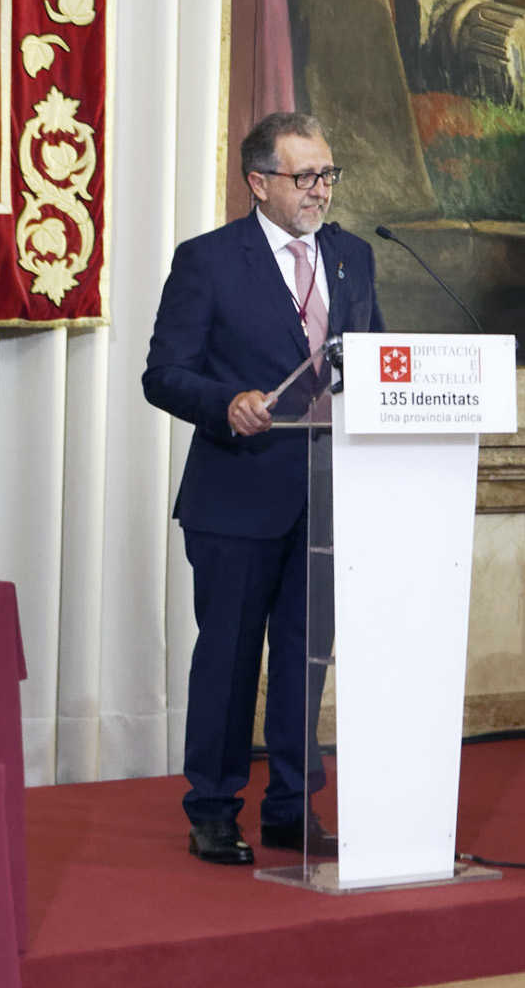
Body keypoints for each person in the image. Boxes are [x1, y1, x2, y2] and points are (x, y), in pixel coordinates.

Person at [140, 113, 383, 867]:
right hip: (237, 496)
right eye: (305, 177)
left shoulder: (352, 258)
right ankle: (212, 807)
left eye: (327, 175)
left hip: (326, 496)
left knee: (307, 659)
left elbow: (375, 357)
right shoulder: (209, 261)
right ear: (259, 182)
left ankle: (290, 806)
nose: (320, 191)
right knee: (231, 657)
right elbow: (164, 373)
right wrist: (226, 402)